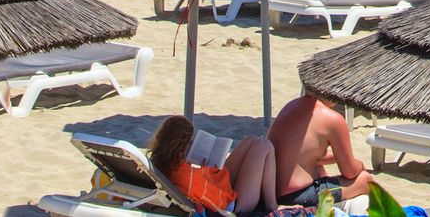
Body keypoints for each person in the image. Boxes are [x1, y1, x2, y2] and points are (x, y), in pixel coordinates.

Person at [147, 114, 275, 215]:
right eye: (191, 142)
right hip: (235, 206)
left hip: (216, 185)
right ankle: (272, 205)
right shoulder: (187, 177)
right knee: (264, 145)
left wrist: (206, 171)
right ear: (183, 146)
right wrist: (208, 172)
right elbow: (220, 202)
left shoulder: (163, 162)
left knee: (252, 141)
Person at [268, 85, 372, 205]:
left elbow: (310, 156)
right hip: (300, 194)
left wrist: (337, 157)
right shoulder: (332, 119)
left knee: (321, 170)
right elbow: (350, 172)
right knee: (365, 180)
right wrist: (360, 165)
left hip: (272, 192)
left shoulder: (291, 106)